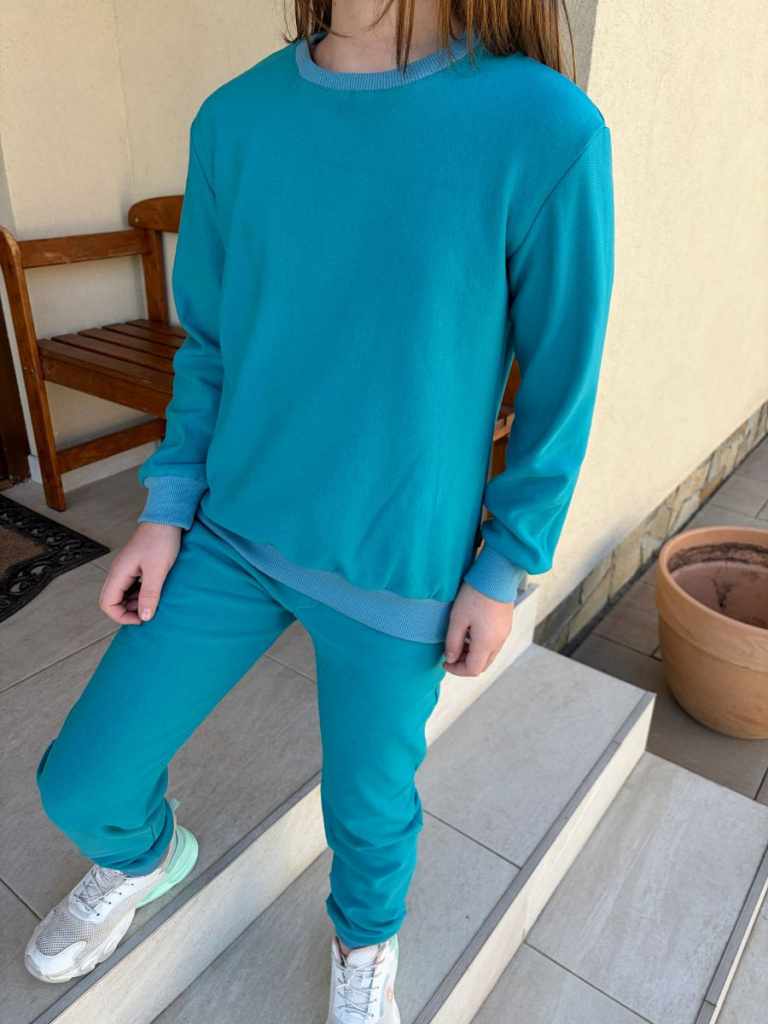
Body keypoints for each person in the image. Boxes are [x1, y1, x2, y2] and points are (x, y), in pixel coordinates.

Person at [24, 0, 615, 1020]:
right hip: (231, 534)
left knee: (370, 817)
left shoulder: (546, 129)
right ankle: (145, 856)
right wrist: (166, 507)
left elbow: (563, 381)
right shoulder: (236, 119)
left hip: (400, 564)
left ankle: (364, 943)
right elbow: (210, 343)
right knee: (81, 779)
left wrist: (504, 563)